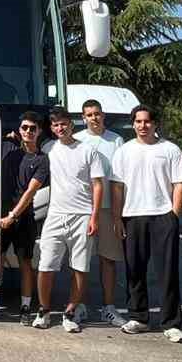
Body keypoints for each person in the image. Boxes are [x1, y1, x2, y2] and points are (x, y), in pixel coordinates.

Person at [112, 105, 182, 341]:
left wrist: (173, 214)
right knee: (134, 270)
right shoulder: (124, 151)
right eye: (138, 121)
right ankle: (139, 317)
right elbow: (117, 187)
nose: (142, 126)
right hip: (133, 215)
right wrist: (117, 217)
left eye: (147, 121)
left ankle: (171, 323)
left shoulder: (170, 149)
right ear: (133, 124)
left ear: (155, 123)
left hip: (162, 216)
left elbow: (181, 183)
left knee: (167, 272)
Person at [33, 107, 104, 334]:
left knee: (80, 267)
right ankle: (43, 310)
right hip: (55, 215)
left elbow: (98, 185)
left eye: (63, 124)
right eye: (55, 125)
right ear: (51, 128)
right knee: (46, 266)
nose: (60, 128)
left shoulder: (88, 150)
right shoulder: (48, 148)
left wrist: (94, 216)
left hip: (83, 216)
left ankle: (70, 312)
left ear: (71, 124)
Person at [68, 100, 126, 325]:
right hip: (82, 208)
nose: (94, 118)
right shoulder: (78, 140)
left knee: (108, 259)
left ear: (103, 115)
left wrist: (117, 213)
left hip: (108, 209)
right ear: (83, 118)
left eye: (97, 114)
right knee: (80, 261)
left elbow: (118, 178)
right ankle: (78, 305)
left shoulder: (116, 140)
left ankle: (109, 307)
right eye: (89, 114)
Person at [0, 111, 49, 323]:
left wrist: (13, 215)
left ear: (39, 132)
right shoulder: (7, 150)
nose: (28, 131)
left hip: (23, 217)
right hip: (0, 216)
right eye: (25, 127)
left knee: (25, 262)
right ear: (19, 130)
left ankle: (26, 307)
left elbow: (30, 192)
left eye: (33, 128)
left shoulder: (42, 160)